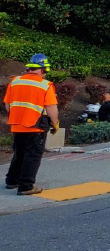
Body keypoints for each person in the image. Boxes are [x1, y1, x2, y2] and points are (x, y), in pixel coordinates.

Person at [3, 53, 60, 196]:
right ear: (43, 69)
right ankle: (26, 186)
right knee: (33, 155)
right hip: (35, 126)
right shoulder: (45, 85)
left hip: (17, 124)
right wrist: (55, 123)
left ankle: (12, 180)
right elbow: (51, 108)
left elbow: (8, 106)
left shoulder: (15, 81)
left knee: (19, 152)